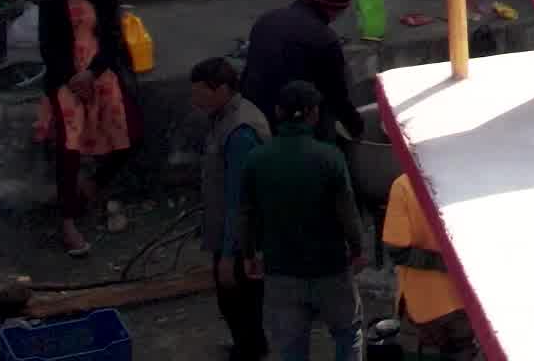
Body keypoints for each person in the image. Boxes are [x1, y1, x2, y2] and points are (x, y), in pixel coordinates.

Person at [235, 84, 362, 361]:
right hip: (331, 268)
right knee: (347, 334)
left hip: (282, 270)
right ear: (314, 114)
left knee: (290, 346)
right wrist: (358, 249)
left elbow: (245, 213)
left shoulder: (257, 159)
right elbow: (348, 212)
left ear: (278, 112)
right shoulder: (330, 157)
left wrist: (248, 254)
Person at [31, 0, 137, 256]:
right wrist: (73, 77)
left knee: (128, 133)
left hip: (99, 70)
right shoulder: (51, 1)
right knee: (69, 145)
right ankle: (67, 221)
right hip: (66, 76)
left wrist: (93, 71)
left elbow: (113, 39)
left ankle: (92, 186)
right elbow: (48, 48)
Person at [188, 59, 271, 361]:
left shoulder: (240, 132)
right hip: (231, 229)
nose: (195, 101)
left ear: (221, 89)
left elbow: (239, 200)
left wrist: (228, 254)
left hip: (242, 237)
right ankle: (249, 345)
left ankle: (249, 350)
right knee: (237, 300)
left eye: (201, 93)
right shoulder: (226, 117)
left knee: (237, 298)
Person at [239, 0, 362, 143]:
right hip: (285, 119)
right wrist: (357, 128)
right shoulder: (324, 39)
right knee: (328, 107)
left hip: (250, 110)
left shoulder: (267, 19)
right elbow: (336, 96)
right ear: (337, 10)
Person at [378, 173, 467, 355]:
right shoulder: (476, 182)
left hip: (424, 306)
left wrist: (443, 263)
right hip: (468, 302)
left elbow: (397, 251)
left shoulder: (405, 184)